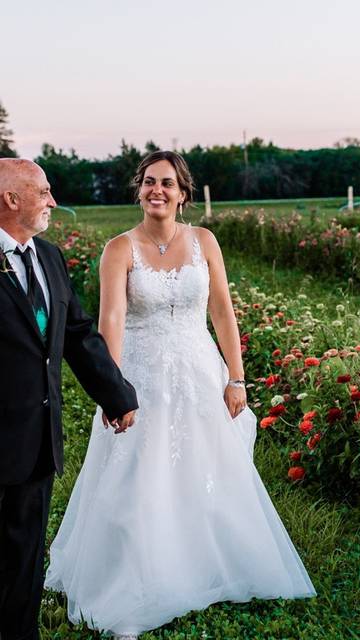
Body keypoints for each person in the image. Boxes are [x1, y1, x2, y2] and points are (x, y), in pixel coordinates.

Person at [44, 151, 315, 638]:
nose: (157, 191)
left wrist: (236, 378)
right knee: (138, 473)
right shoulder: (118, 249)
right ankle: (139, 573)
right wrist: (115, 391)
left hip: (198, 373)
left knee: (206, 466)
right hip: (143, 378)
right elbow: (111, 323)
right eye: (149, 182)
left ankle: (206, 561)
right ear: (139, 190)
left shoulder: (204, 242)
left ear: (183, 194)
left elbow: (224, 314)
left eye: (167, 183)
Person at [0, 159, 138, 640]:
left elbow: (78, 333)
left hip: (36, 438)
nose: (53, 201)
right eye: (43, 191)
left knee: (25, 553)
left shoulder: (49, 257)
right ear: (11, 199)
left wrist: (116, 395)